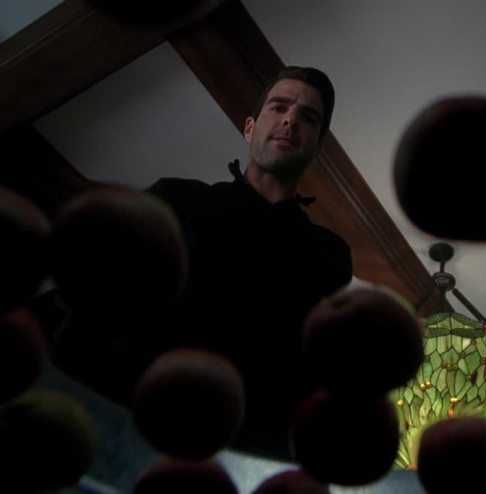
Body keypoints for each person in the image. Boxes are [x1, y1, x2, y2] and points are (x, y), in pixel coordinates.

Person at [50, 66, 353, 460]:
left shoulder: (329, 257)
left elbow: (312, 376)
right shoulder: (173, 200)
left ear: (317, 148)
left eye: (308, 117)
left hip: (240, 457)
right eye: (279, 107)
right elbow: (94, 305)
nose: (290, 120)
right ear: (249, 128)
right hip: (115, 425)